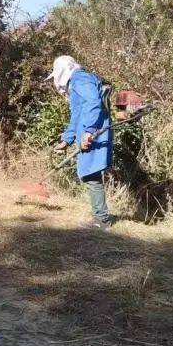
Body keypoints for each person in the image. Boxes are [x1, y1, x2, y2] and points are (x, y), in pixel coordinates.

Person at [50, 55, 113, 228]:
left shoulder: (80, 78)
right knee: (88, 172)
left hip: (94, 130)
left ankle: (102, 220)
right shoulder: (76, 82)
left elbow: (94, 103)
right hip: (86, 130)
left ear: (63, 71)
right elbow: (77, 113)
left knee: (90, 172)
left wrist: (89, 131)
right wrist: (66, 139)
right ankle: (100, 217)